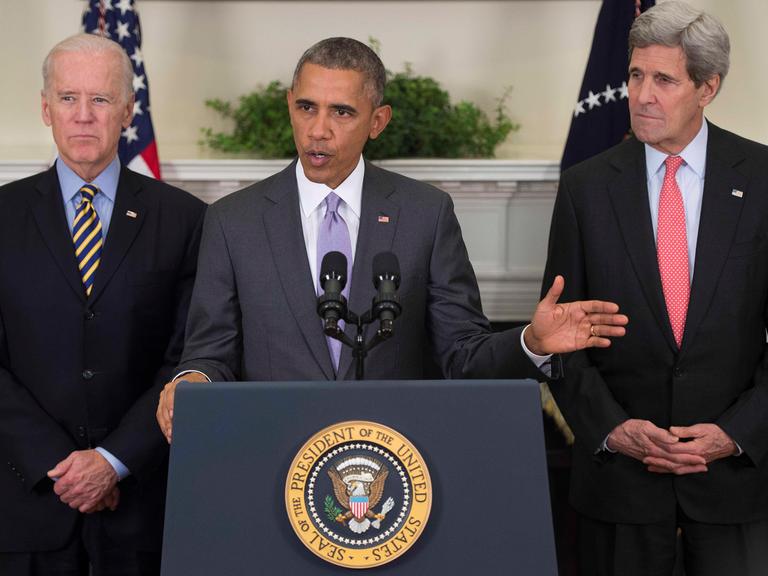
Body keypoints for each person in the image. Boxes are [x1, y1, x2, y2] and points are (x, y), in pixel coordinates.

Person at [156, 36, 628, 441]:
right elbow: (210, 353)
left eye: (342, 112)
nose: (318, 130)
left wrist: (531, 341)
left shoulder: (426, 214)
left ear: (377, 121)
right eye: (306, 108)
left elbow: (461, 355)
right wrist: (191, 380)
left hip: (392, 466)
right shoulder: (231, 221)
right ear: (290, 105)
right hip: (272, 456)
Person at [542, 2, 768, 574]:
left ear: (707, 87)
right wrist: (613, 430)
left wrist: (735, 434)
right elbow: (560, 340)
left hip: (736, 482)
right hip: (620, 485)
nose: (642, 94)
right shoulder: (585, 188)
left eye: (664, 79)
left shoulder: (762, 179)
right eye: (636, 75)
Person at [0, 34, 205, 576]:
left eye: (101, 99)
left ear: (128, 111)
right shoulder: (1, 216)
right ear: (46, 109)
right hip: (26, 511)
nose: (84, 116)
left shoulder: (186, 220)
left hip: (143, 511)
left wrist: (113, 463)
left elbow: (189, 357)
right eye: (68, 98)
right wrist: (60, 466)